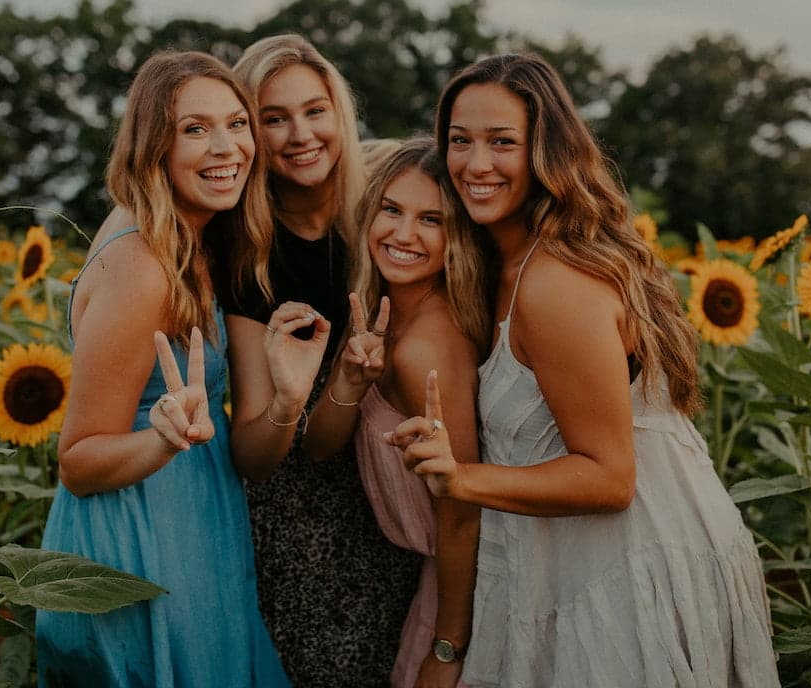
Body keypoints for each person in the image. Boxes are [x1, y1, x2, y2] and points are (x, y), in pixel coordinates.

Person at [389, 53, 780, 687]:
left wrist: (459, 477)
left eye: (501, 142)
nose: (475, 164)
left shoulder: (555, 282)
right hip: (584, 565)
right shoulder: (511, 265)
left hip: (629, 569)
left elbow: (610, 478)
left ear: (546, 151)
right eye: (459, 141)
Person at [35, 50, 290, 688]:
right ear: (154, 149)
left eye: (237, 123)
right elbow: (79, 458)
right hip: (140, 542)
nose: (226, 146)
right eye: (195, 129)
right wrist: (163, 438)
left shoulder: (189, 238)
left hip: (190, 524)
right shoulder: (142, 266)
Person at [218, 34, 420, 686]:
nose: (299, 134)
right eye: (273, 118)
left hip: (408, 488)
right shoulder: (249, 250)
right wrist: (285, 400)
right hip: (309, 526)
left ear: (341, 113)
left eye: (314, 110)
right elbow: (252, 452)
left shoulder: (389, 212)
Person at [303, 138, 486, 688]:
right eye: (391, 209)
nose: (403, 235)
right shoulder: (378, 314)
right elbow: (318, 446)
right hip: (420, 582)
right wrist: (351, 380)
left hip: (455, 595)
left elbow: (461, 511)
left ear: (459, 239)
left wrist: (447, 651)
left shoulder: (426, 346)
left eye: (431, 219)